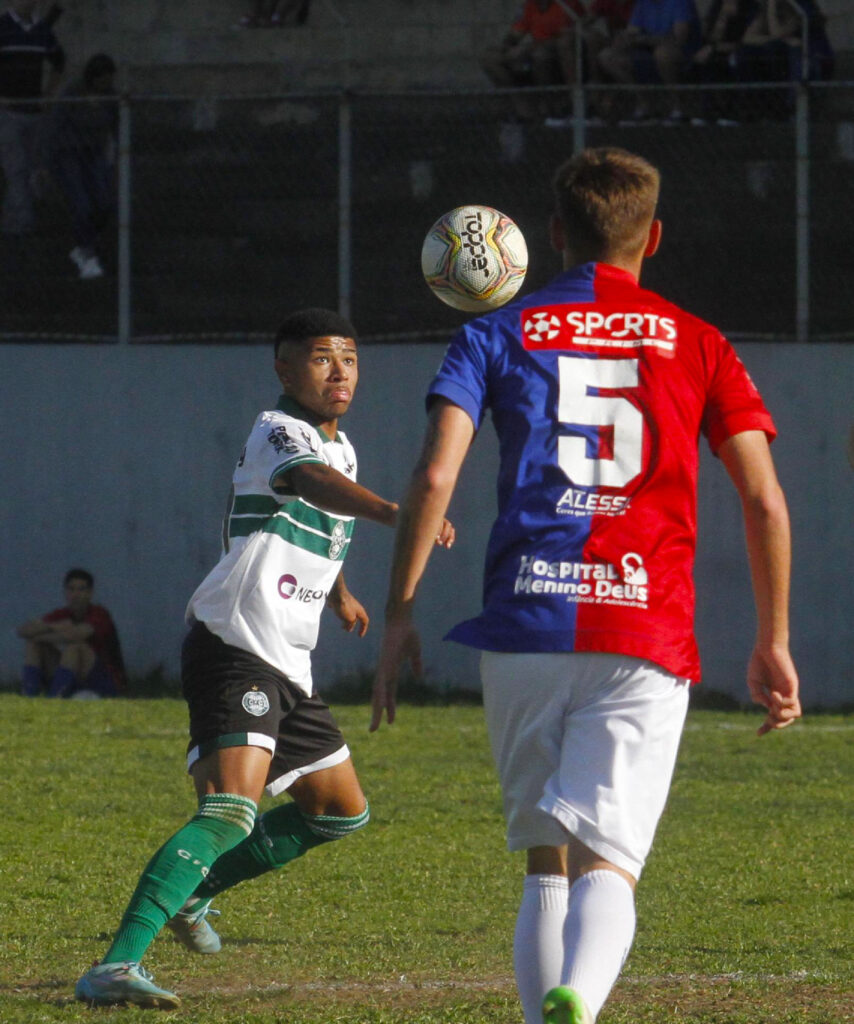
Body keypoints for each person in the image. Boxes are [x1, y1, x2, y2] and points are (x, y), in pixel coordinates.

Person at [371, 148, 801, 1024]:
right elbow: (762, 499)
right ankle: (580, 999)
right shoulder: (700, 340)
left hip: (525, 622)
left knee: (544, 862)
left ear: (554, 235)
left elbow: (434, 476)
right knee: (609, 862)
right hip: (644, 627)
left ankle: (548, 1015)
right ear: (655, 238)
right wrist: (773, 638)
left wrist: (401, 612)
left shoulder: (494, 331)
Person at [74, 308, 454, 1009]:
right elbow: (309, 483)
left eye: (350, 357)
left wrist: (340, 593)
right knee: (228, 814)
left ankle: (197, 893)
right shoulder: (276, 430)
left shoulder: (344, 451)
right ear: (285, 369)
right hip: (235, 643)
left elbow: (315, 513)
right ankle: (113, 968)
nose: (340, 370)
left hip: (288, 658)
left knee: (338, 811)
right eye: (320, 357)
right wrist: (402, 513)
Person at [46, 52, 117, 280]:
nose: (106, 84)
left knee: (104, 202)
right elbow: (55, 124)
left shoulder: (110, 96)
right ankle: (86, 252)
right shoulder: (73, 91)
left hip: (94, 152)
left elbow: (117, 124)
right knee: (82, 203)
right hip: (69, 153)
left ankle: (88, 240)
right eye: (102, 80)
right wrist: (46, 160)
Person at [0, 0, 65, 235]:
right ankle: (23, 222)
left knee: (28, 168)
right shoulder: (3, 27)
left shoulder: (42, 30)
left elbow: (59, 62)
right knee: (16, 167)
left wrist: (48, 94)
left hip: (32, 111)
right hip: (7, 112)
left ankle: (13, 221)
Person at [16, 567, 125, 698]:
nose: (75, 594)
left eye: (81, 589)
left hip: (103, 682)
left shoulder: (99, 613)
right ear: (65, 592)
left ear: (90, 593)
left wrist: (43, 634)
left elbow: (76, 635)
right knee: (33, 644)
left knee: (75, 647)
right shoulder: (62, 614)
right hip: (73, 677)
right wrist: (54, 627)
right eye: (71, 589)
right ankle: (29, 695)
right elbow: (24, 631)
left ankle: (54, 699)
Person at [598, 0, 702, 120]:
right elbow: (632, 32)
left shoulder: (680, 2)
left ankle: (678, 105)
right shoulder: (643, 3)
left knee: (662, 54)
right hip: (648, 50)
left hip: (683, 52)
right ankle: (644, 102)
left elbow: (679, 38)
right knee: (607, 56)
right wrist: (622, 40)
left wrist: (642, 39)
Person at [482, 0, 583, 95]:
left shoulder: (568, 5)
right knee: (491, 58)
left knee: (540, 56)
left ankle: (548, 99)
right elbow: (515, 34)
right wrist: (507, 49)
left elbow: (566, 40)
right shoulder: (529, 5)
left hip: (558, 56)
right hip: (533, 51)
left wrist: (528, 48)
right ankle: (518, 100)